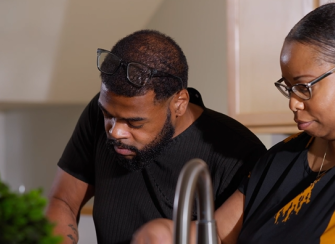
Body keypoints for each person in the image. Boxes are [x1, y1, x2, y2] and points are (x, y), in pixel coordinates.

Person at [132, 3, 335, 243]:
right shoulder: (280, 159)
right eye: (288, 87)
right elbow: (215, 234)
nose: (293, 102)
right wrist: (162, 233)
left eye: (305, 86)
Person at [45, 30, 267, 244]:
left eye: (135, 122)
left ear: (179, 103)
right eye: (108, 115)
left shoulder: (237, 153)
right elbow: (63, 201)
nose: (115, 132)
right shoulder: (105, 111)